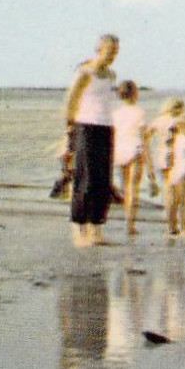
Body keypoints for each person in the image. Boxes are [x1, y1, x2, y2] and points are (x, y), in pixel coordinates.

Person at [63, 34, 120, 247]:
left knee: (102, 181)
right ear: (99, 49)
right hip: (85, 126)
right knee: (85, 180)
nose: (113, 56)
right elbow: (71, 99)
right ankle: (79, 229)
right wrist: (69, 128)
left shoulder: (112, 75)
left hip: (106, 127)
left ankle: (96, 228)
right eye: (109, 51)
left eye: (115, 52)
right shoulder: (85, 72)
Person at [111, 80, 148, 237]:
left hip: (120, 150)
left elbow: (112, 136)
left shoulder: (115, 113)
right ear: (134, 94)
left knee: (125, 188)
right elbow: (143, 137)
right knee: (134, 189)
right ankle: (130, 224)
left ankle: (128, 223)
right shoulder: (139, 112)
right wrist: (149, 162)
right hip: (134, 150)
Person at [144, 97, 185, 201]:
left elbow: (145, 138)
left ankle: (168, 211)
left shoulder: (158, 120)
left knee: (167, 186)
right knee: (175, 189)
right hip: (173, 156)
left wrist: (147, 157)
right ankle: (171, 213)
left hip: (160, 156)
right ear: (180, 109)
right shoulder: (178, 121)